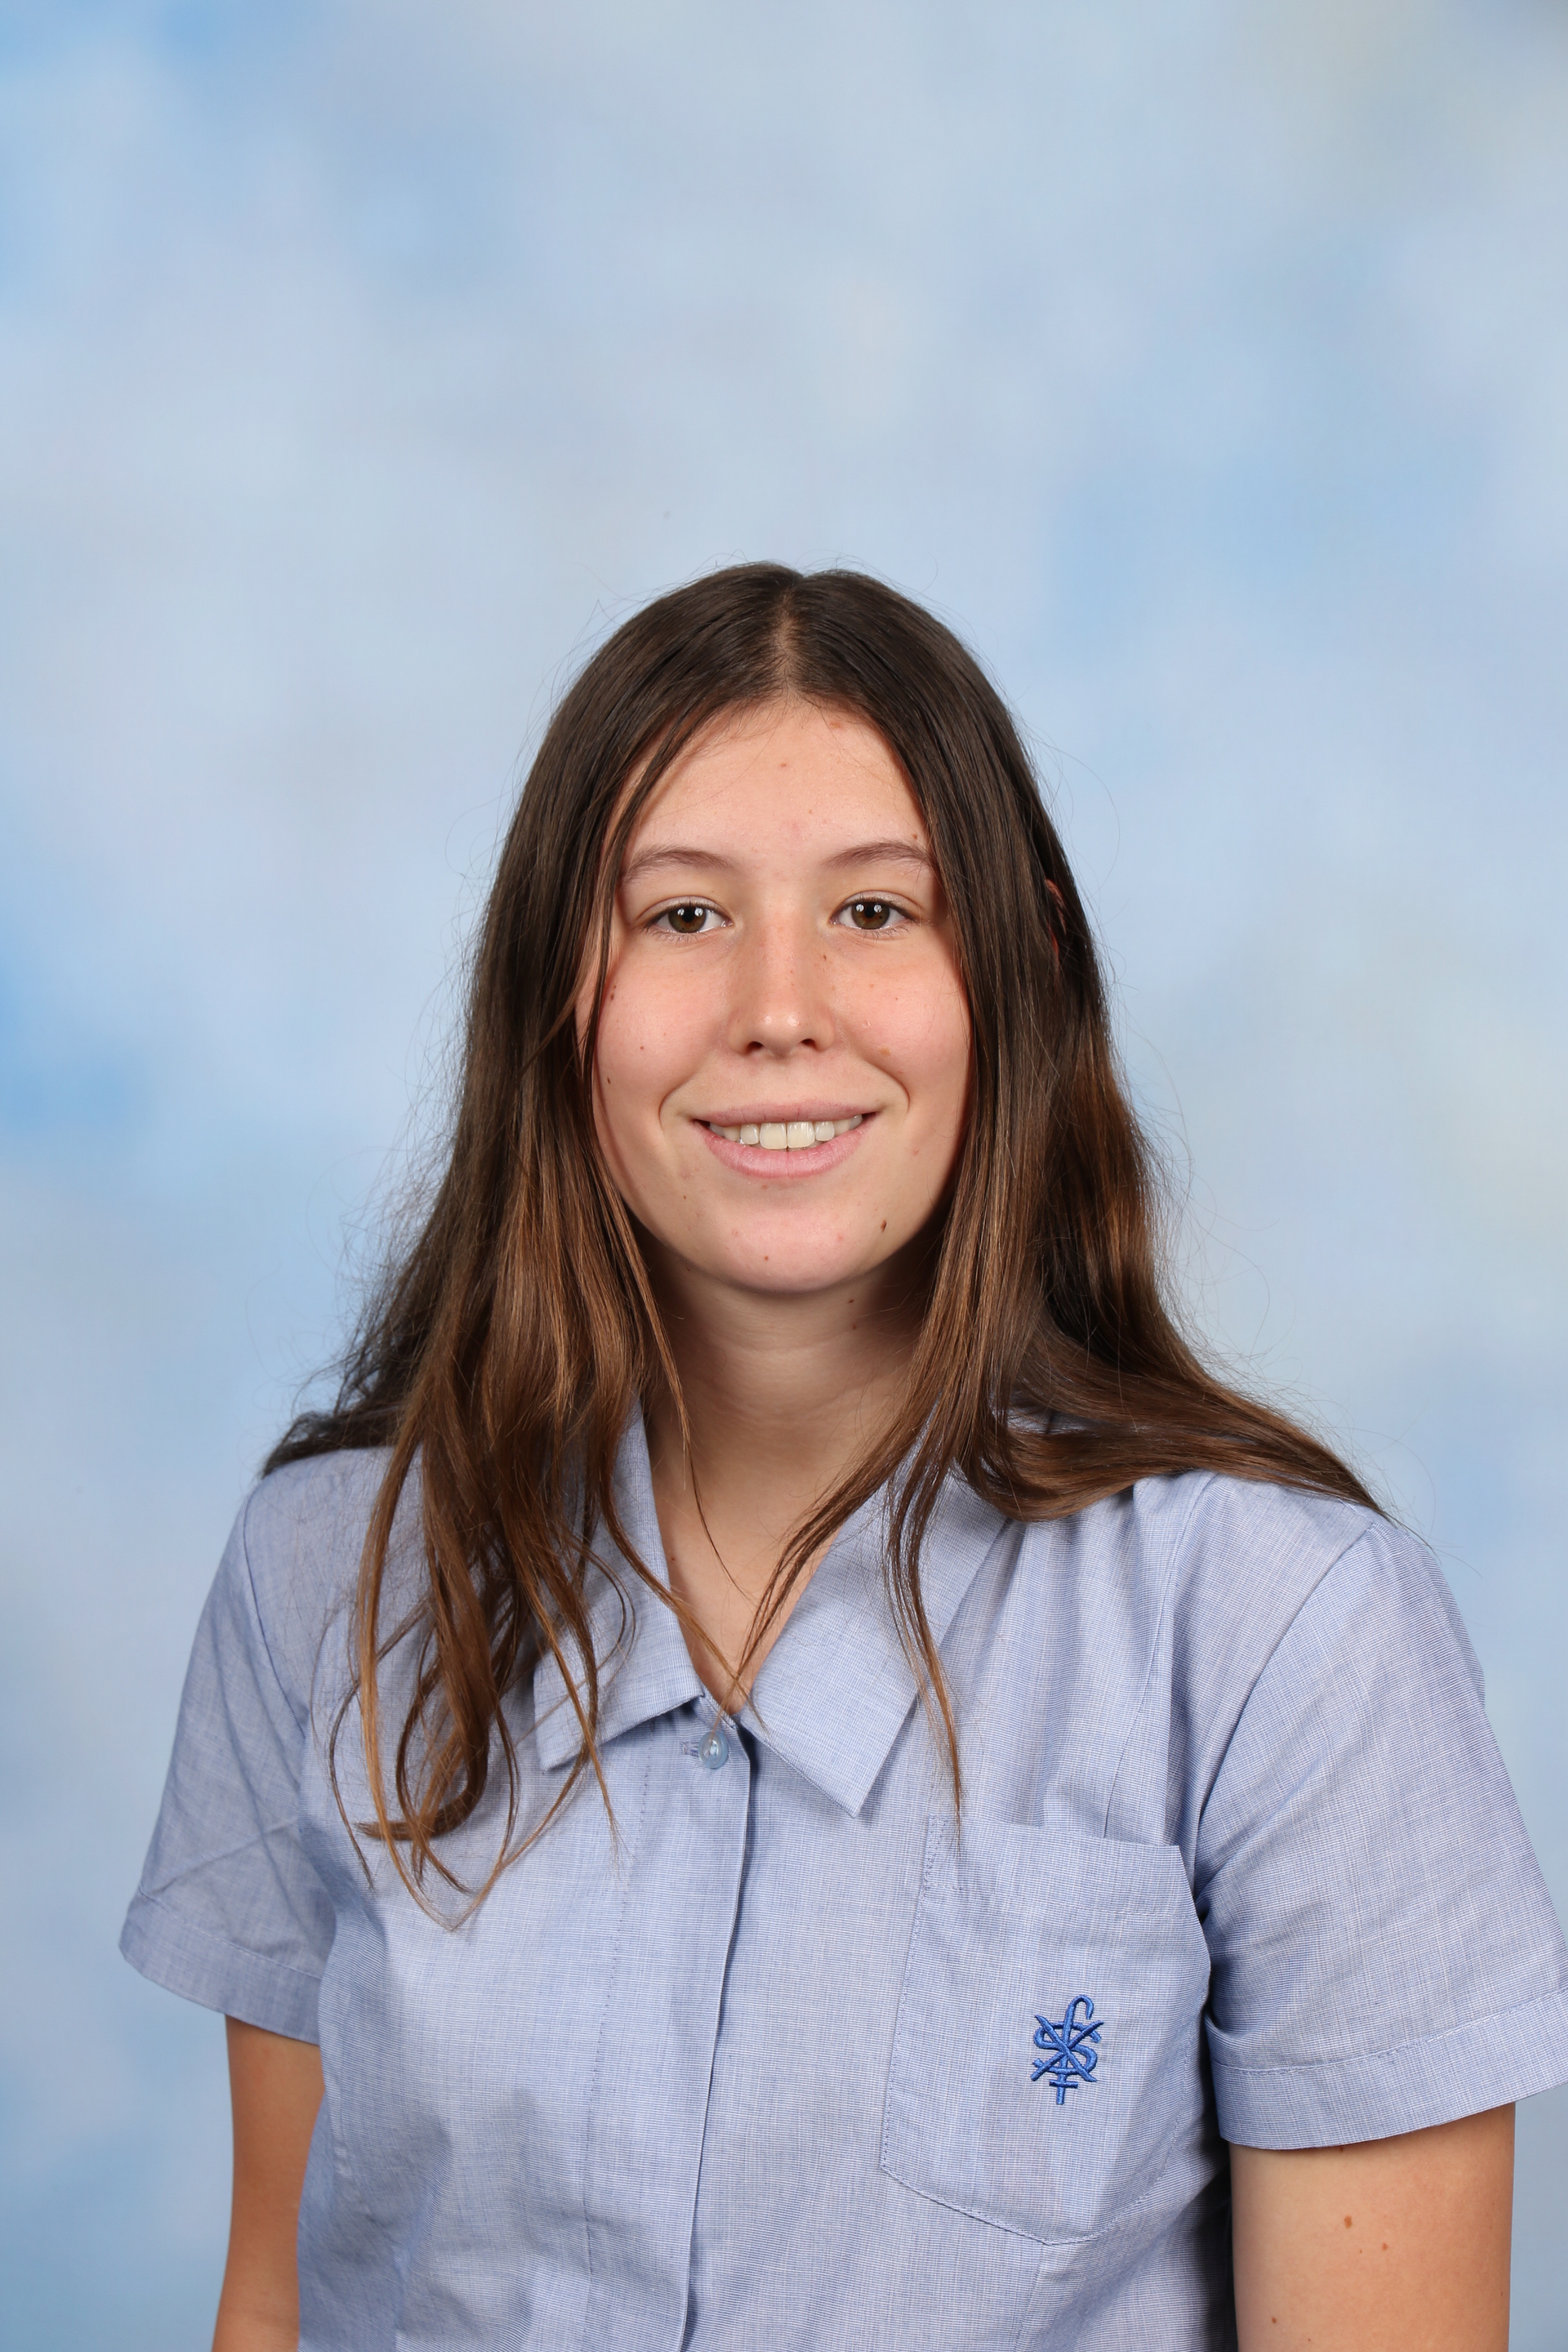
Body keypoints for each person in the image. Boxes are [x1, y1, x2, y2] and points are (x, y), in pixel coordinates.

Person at [124, 564, 1568, 2351]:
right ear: (557, 992)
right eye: (681, 916)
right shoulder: (326, 1570)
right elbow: (278, 2295)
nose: (780, 1007)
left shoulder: (1291, 1637)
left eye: (877, 909)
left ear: (1023, 965)